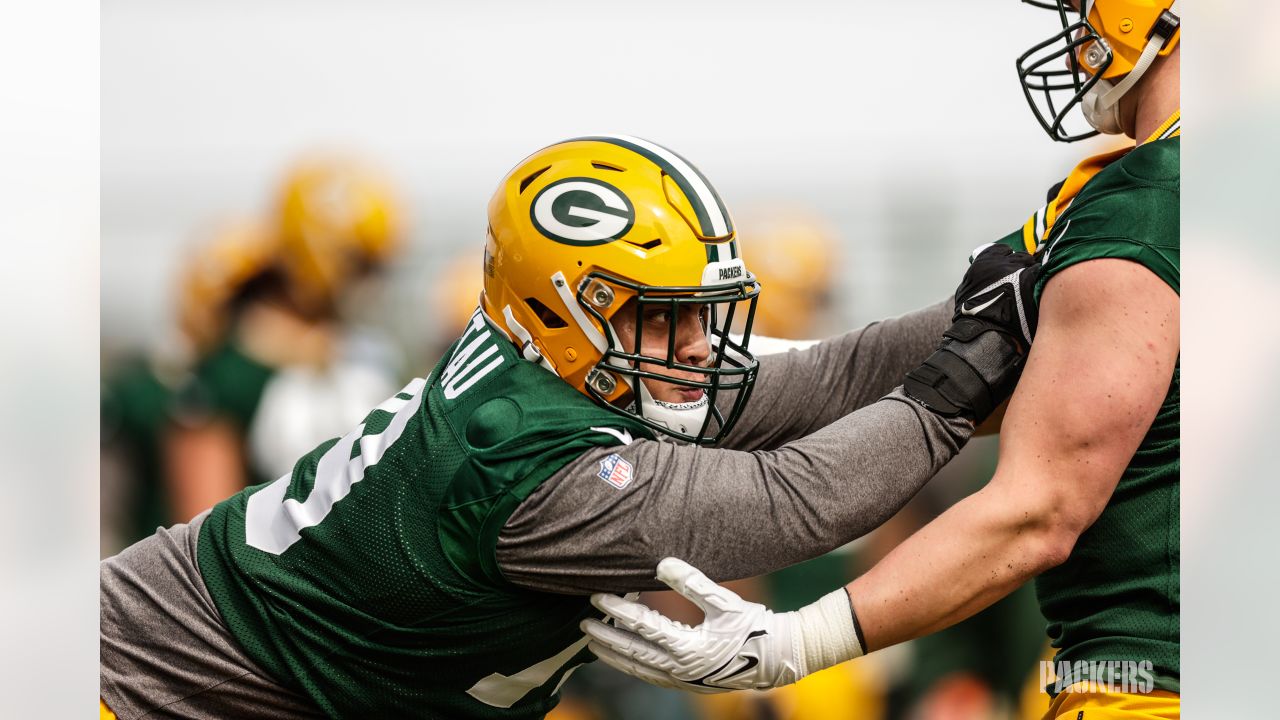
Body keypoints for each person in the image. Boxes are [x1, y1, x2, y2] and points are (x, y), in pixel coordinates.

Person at [99, 135, 1039, 719]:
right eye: (657, 315)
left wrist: (1024, 280)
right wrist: (960, 381)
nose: (691, 342)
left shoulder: (571, 369)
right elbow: (798, 498)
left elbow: (833, 371)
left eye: (694, 311)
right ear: (557, 310)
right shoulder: (530, 459)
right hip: (145, 691)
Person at [583, 3, 1181, 719]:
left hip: (1148, 683)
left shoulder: (1148, 206)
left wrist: (794, 641)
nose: (1076, 31)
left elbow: (1039, 510)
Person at [164, 154, 407, 522]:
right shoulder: (226, 374)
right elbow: (202, 533)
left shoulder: (371, 356)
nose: (371, 283)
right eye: (363, 264)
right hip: (269, 572)